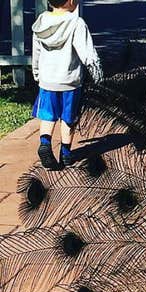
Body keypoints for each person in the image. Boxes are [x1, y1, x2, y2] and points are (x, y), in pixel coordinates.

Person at [31, 0, 102, 169]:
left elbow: (37, 53)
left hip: (47, 80)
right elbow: (86, 52)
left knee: (48, 115)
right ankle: (66, 154)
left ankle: (45, 144)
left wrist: (36, 73)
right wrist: (96, 71)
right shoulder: (76, 23)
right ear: (70, 1)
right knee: (68, 118)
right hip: (70, 81)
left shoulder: (41, 23)